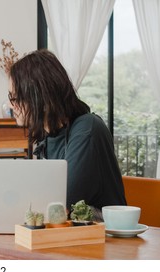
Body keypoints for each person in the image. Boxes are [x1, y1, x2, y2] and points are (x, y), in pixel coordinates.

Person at [8, 49, 127, 220]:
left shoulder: (87, 130)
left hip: (106, 238)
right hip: (69, 235)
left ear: (40, 96)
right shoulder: (46, 138)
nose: (11, 105)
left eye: (15, 97)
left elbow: (60, 201)